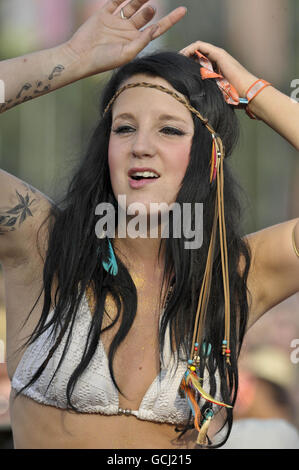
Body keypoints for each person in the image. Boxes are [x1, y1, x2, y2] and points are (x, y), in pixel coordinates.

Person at [0, 0, 298, 449]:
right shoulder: (41, 242)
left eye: (170, 130)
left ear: (208, 155)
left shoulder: (237, 273)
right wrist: (72, 60)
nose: (141, 146)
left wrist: (256, 93)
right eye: (124, 128)